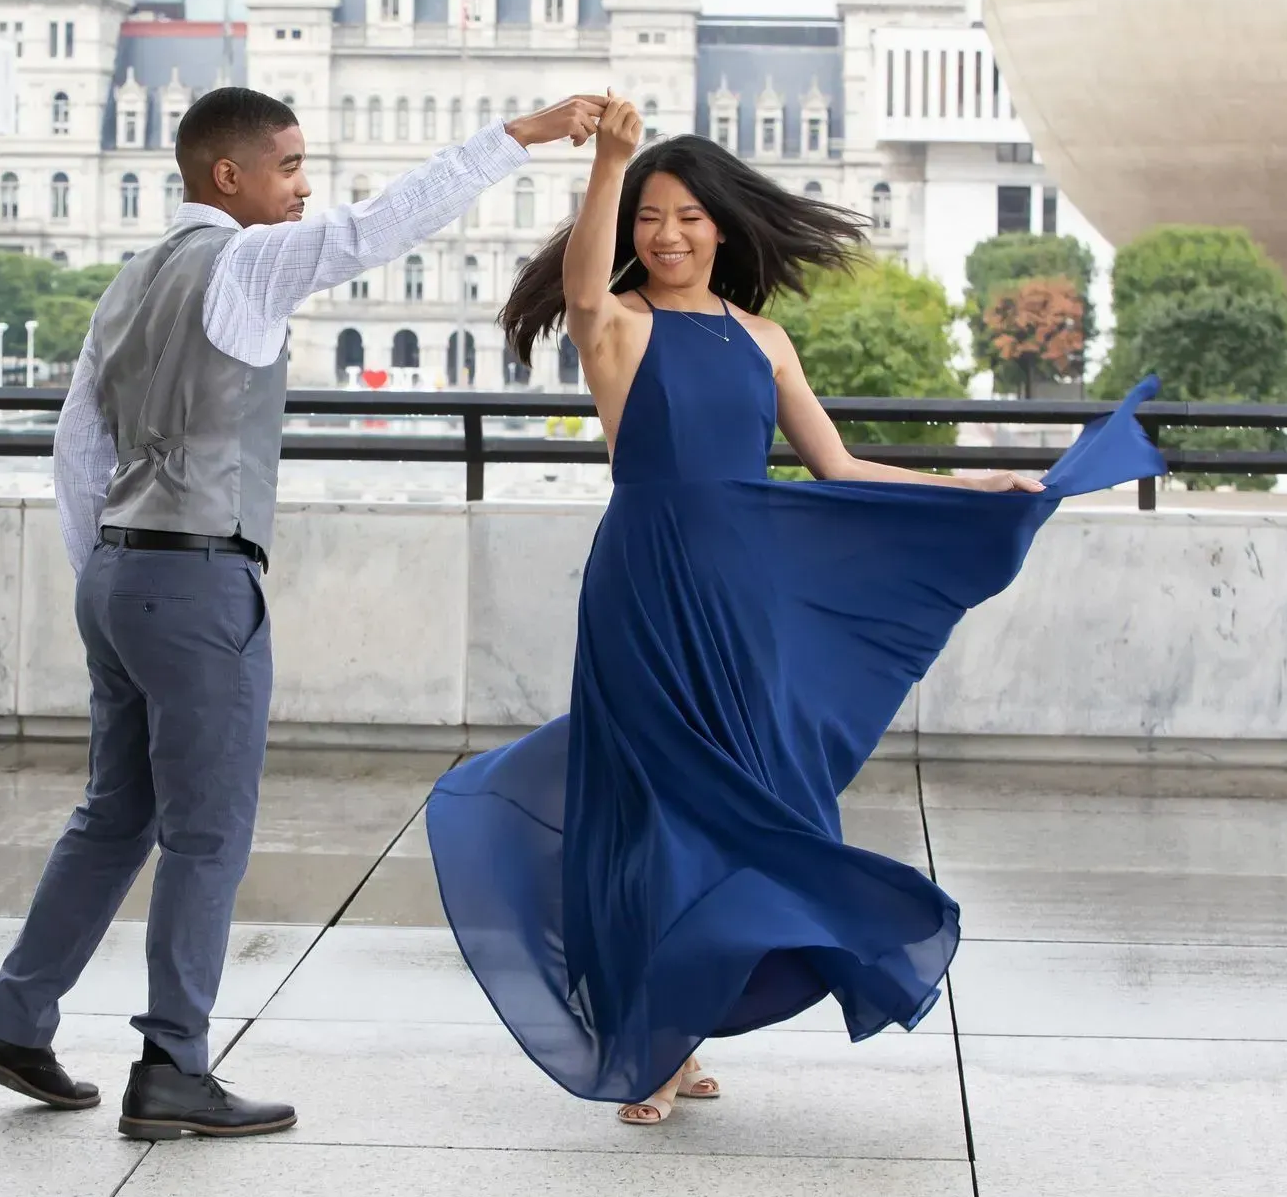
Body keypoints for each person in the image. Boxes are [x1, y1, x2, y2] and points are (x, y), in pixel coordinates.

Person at [425, 95, 1165, 1124]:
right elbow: (586, 287)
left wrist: (975, 487)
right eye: (649, 214)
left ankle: (684, 1018)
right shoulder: (620, 325)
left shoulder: (763, 338)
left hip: (745, 598)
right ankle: (653, 1035)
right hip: (644, 586)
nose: (668, 233)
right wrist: (608, 163)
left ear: (722, 225)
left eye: (686, 215)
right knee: (653, 810)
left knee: (742, 801)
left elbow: (838, 463)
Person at [0, 86, 607, 1140]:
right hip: (198, 574)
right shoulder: (247, 263)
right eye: (292, 167)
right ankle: (173, 1063)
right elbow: (381, 226)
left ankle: (14, 1020)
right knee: (208, 832)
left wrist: (104, 573)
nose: (305, 189)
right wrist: (520, 137)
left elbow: (77, 446)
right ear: (230, 176)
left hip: (119, 573)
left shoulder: (128, 279)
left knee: (113, 814)